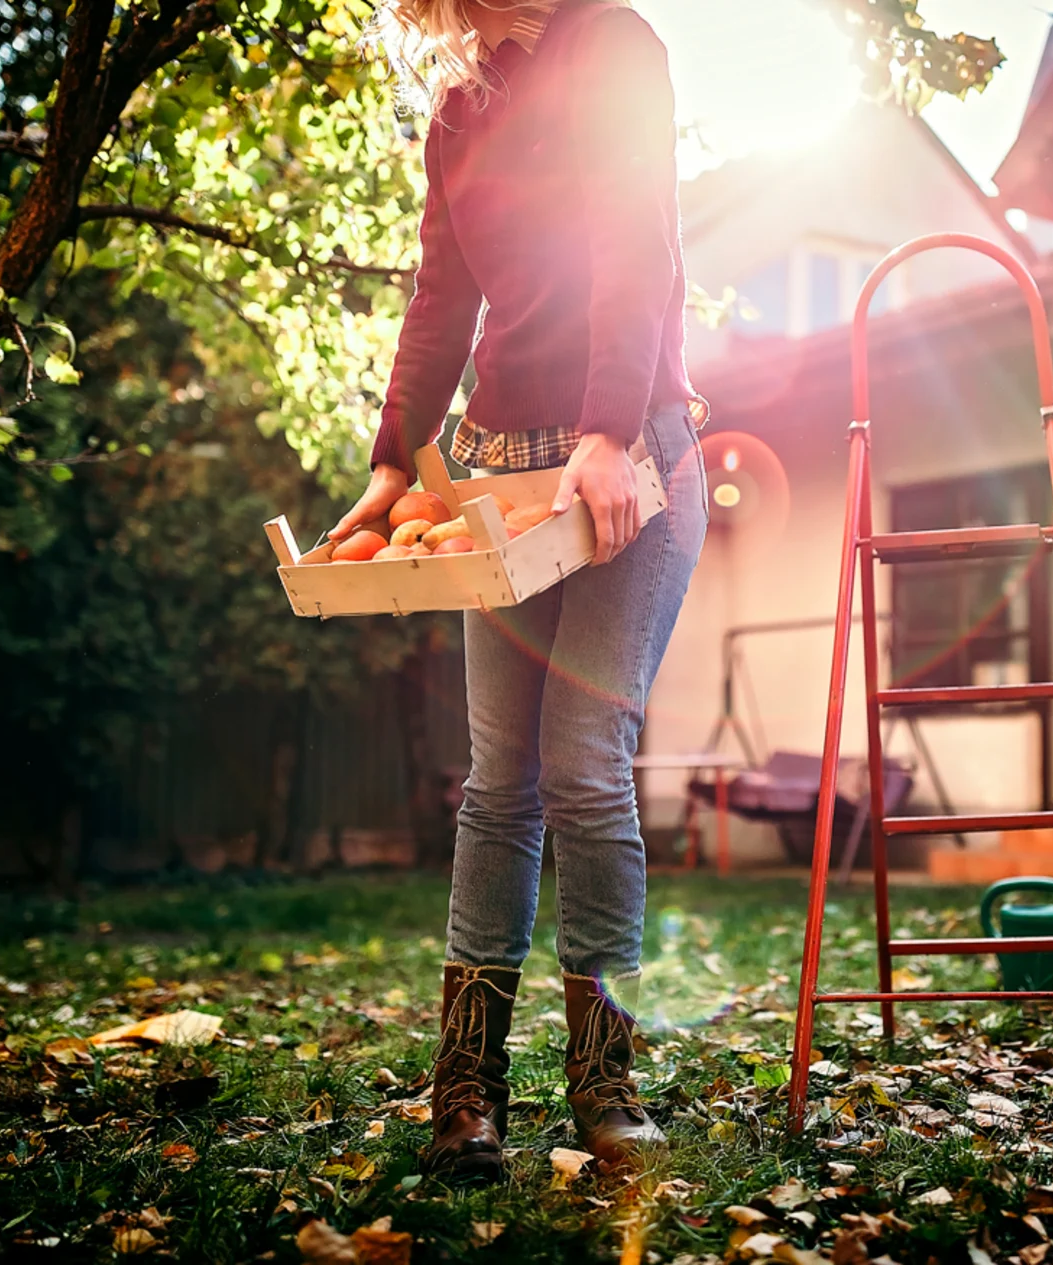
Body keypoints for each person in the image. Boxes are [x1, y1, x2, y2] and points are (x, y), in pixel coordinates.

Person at [333, 0, 707, 1181]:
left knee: (586, 762)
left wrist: (603, 428)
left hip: (628, 462)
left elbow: (632, 246)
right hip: (499, 471)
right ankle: (467, 1091)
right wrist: (397, 457)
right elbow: (442, 291)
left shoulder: (616, 46)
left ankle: (604, 1081)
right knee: (502, 782)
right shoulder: (459, 103)